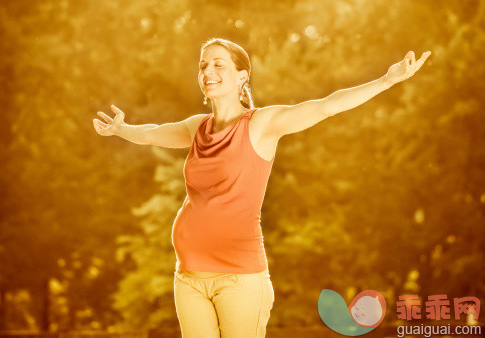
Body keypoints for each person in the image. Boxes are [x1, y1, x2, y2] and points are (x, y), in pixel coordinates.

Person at [93, 37, 431, 337]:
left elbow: (326, 106)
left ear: (242, 77)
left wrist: (388, 80)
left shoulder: (261, 125)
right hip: (189, 277)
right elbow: (151, 132)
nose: (208, 70)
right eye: (204, 65)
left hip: (239, 280)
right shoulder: (197, 127)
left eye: (219, 63)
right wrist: (122, 130)